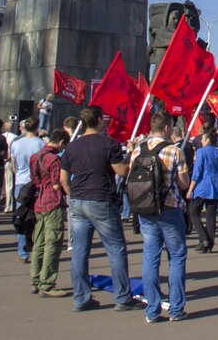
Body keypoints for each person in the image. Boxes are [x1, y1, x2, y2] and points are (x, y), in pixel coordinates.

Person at [59, 106, 136, 312]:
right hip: (101, 199)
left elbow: (63, 178)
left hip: (78, 200)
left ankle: (81, 297)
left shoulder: (72, 146)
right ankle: (122, 297)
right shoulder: (108, 144)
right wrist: (129, 160)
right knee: (116, 249)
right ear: (100, 120)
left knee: (80, 251)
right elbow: (120, 171)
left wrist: (71, 194)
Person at [137, 112, 190, 323]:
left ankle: (152, 309)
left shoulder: (137, 150)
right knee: (176, 257)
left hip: (145, 208)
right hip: (170, 208)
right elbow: (184, 182)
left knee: (150, 257)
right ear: (167, 128)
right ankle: (176, 309)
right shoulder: (173, 151)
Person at [28, 130, 71, 297]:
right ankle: (47, 282)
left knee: (39, 242)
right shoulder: (53, 159)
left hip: (39, 201)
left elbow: (34, 179)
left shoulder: (35, 156)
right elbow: (57, 183)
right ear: (60, 142)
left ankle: (35, 279)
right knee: (53, 243)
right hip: (52, 201)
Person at [9, 118, 46, 263]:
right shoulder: (41, 144)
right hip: (35, 183)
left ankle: (22, 251)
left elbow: (13, 165)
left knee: (21, 217)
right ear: (37, 128)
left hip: (20, 182)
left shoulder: (16, 143)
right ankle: (37, 249)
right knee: (37, 217)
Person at [187, 131, 218, 253]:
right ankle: (209, 243)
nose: (201, 142)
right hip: (215, 186)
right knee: (210, 216)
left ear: (207, 140)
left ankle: (204, 238)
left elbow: (197, 172)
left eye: (203, 139)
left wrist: (190, 189)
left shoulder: (201, 152)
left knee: (193, 212)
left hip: (202, 186)